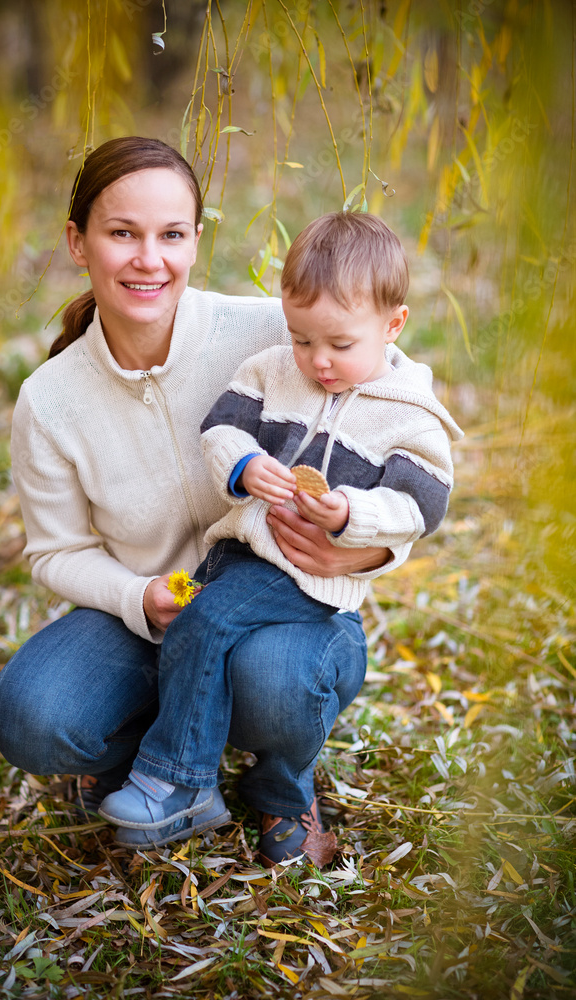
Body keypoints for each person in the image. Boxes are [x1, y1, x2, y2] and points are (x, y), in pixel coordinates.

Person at [0, 137, 410, 868]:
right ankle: (152, 752)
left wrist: (368, 546)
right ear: (77, 242)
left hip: (283, 605)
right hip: (151, 617)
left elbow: (391, 403)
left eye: (171, 235)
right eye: (122, 233)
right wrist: (137, 595)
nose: (149, 259)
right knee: (31, 717)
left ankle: (283, 783)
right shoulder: (50, 401)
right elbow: (56, 551)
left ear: (194, 241)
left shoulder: (269, 332)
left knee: (274, 686)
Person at [97, 212, 464, 865]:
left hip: (310, 581)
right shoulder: (272, 371)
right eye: (301, 339)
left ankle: (178, 781)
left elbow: (422, 503)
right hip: (239, 554)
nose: (317, 361)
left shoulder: (407, 413)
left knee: (205, 623)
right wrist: (242, 465)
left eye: (338, 344)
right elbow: (221, 430)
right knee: (186, 615)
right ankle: (164, 754)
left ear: (393, 325)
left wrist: (350, 512)